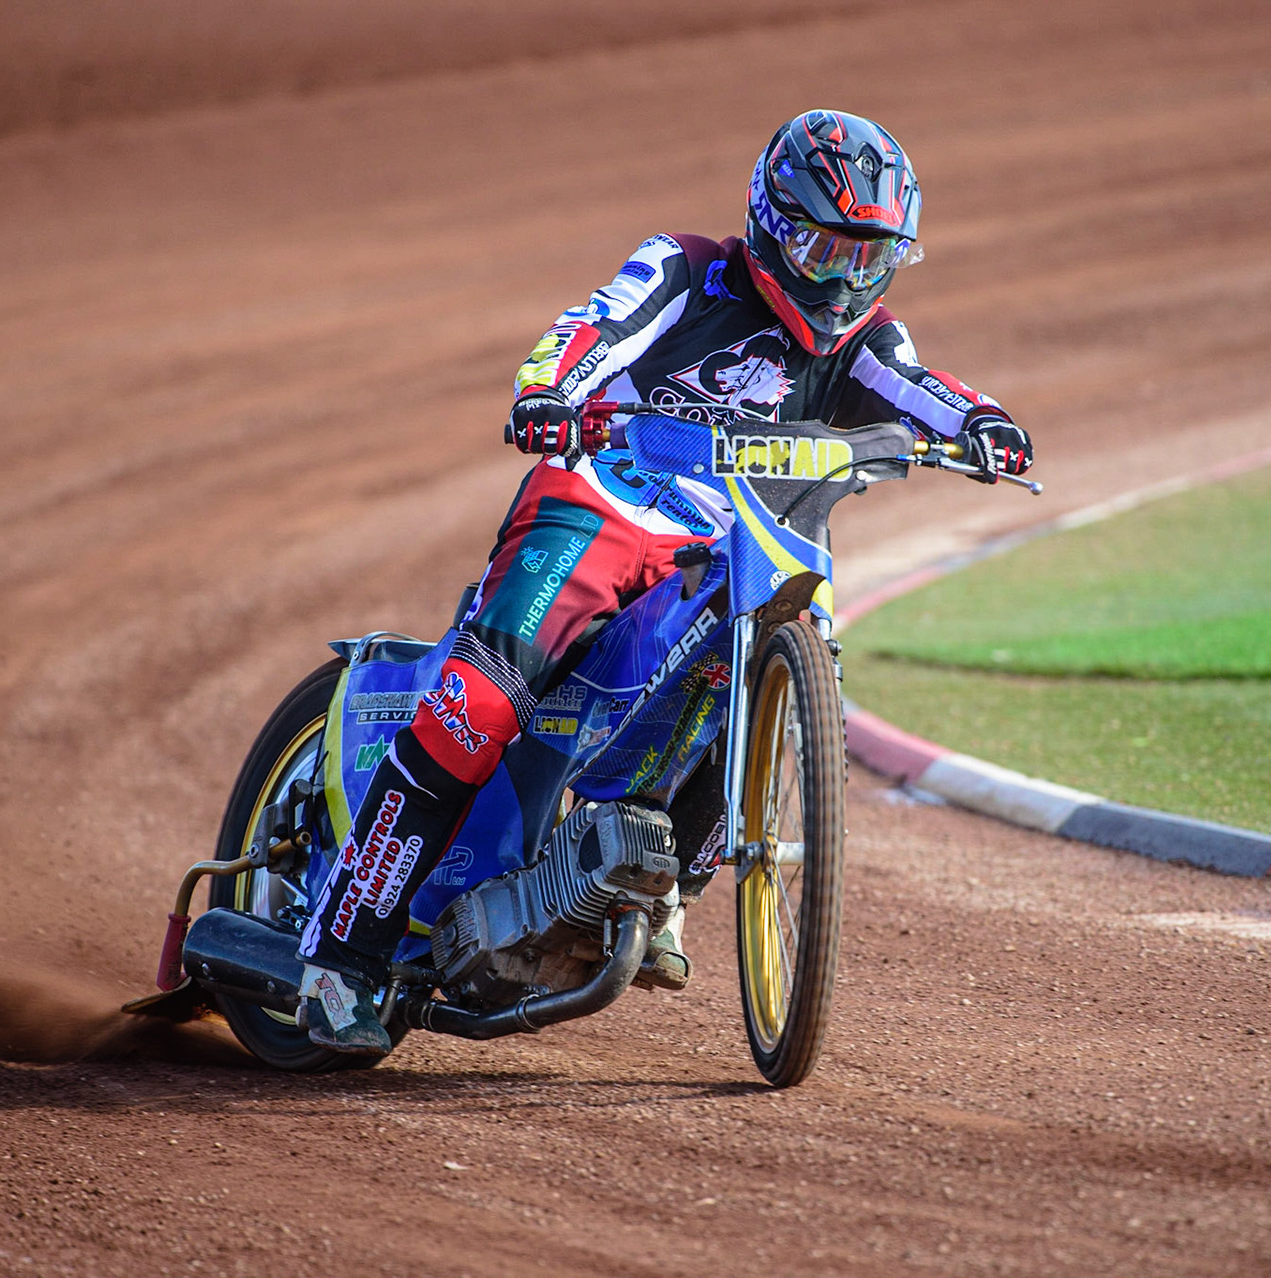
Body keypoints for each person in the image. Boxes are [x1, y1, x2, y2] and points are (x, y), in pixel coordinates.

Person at [296, 109, 1033, 1054]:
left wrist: (986, 426)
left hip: (742, 543)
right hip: (604, 502)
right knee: (478, 703)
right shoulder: (687, 269)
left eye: (869, 256)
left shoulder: (867, 339)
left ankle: (660, 884)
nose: (844, 277)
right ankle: (337, 958)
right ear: (770, 220)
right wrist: (549, 392)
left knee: (789, 695)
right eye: (821, 245)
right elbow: (591, 325)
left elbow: (923, 389)